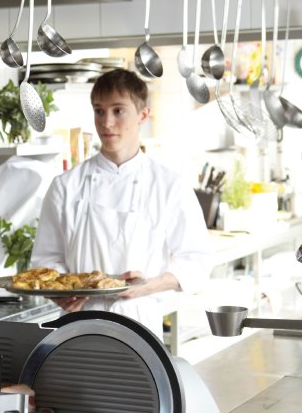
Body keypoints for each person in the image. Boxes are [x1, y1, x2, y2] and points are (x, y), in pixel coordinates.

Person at [30, 67, 211, 340]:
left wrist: (148, 285)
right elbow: (46, 259)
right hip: (77, 327)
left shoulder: (169, 185)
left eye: (118, 111)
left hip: (139, 326)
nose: (106, 122)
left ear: (142, 116)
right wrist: (60, 292)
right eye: (99, 111)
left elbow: (197, 262)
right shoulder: (65, 186)